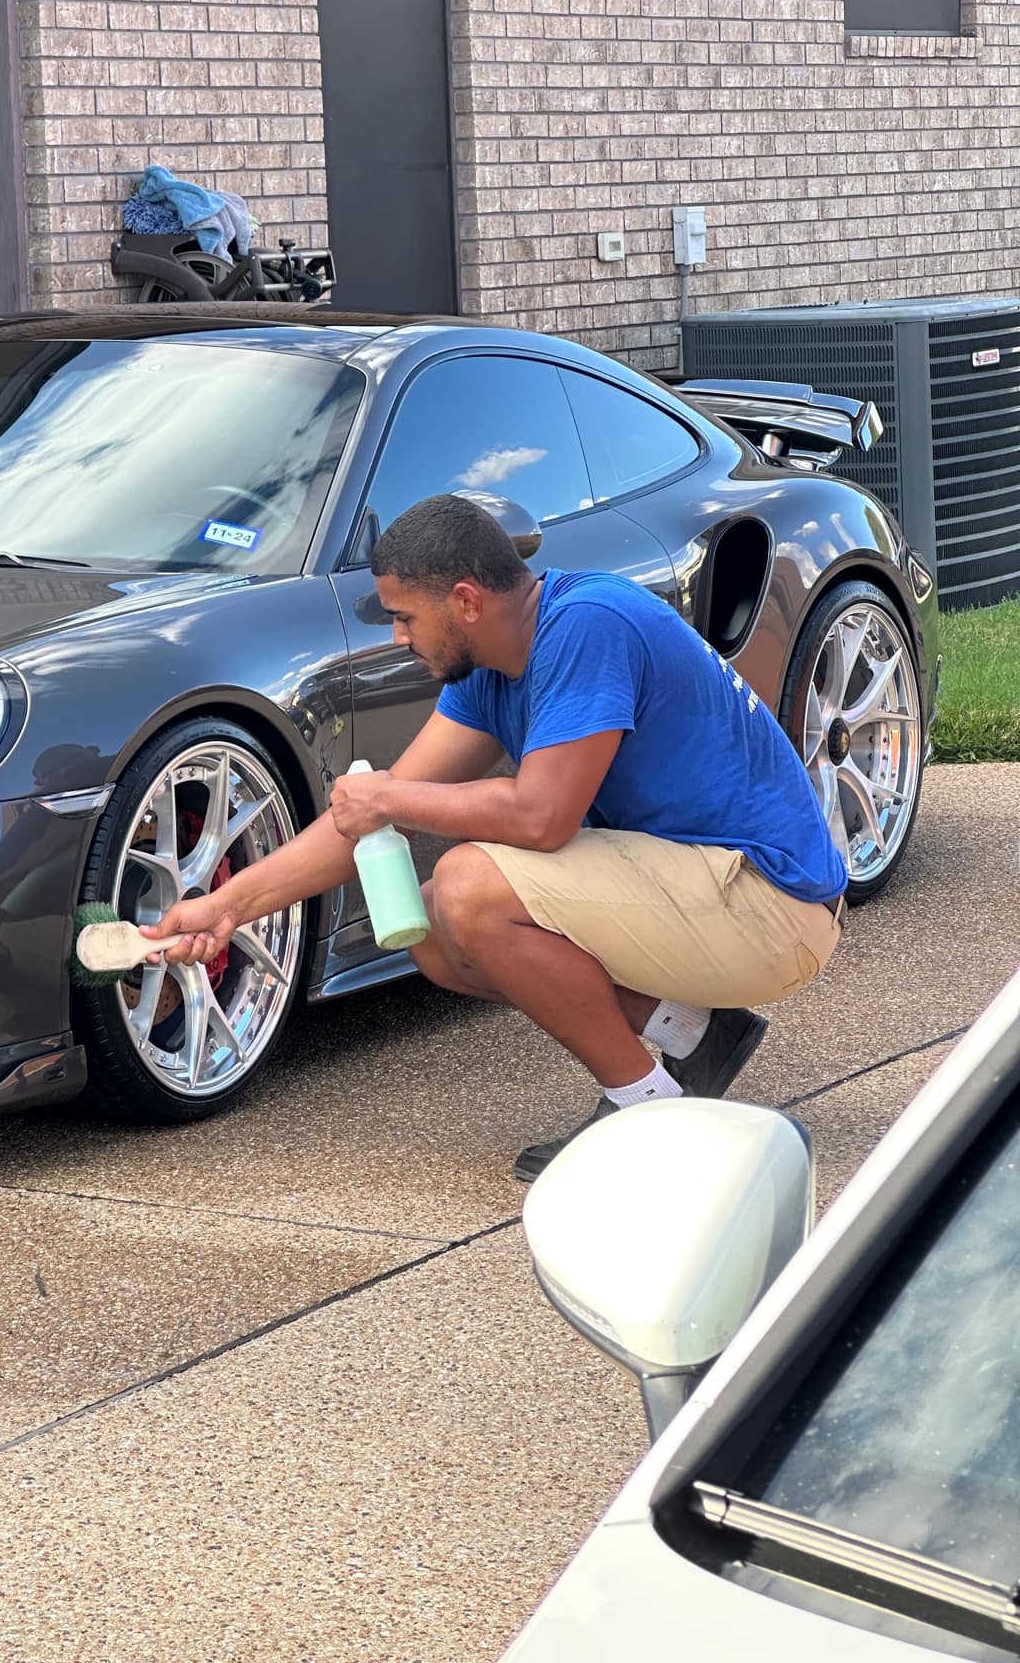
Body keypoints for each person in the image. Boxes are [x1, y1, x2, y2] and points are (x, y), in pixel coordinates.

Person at [152, 492, 847, 1179]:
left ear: (466, 601)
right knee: (424, 922)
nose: (398, 637)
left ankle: (647, 1107)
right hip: (702, 885)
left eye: (403, 617)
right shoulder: (489, 670)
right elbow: (363, 822)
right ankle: (693, 1031)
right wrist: (225, 908)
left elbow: (542, 819)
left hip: (773, 905)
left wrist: (391, 795)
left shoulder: (587, 626)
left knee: (470, 889)